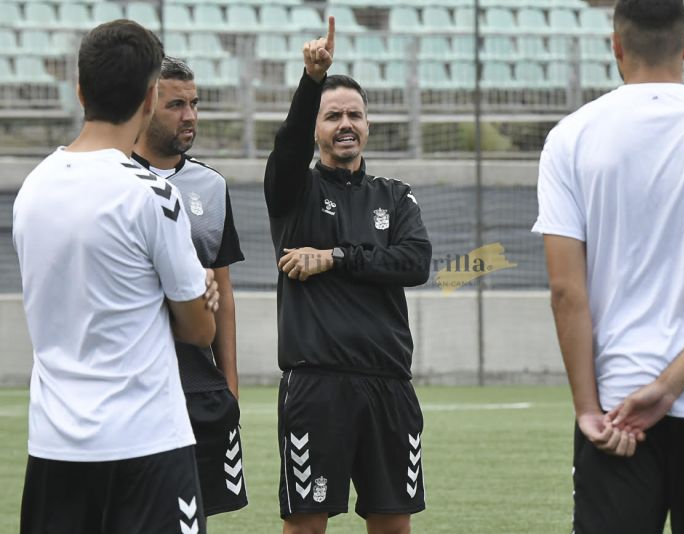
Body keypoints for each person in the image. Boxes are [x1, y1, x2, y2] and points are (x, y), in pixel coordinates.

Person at [532, 1, 684, 532]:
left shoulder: (570, 138)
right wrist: (670, 388)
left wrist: (586, 409)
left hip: (616, 414)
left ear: (616, 46)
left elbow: (565, 291)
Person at [13, 21, 219, 534]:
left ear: (79, 89)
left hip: (54, 447)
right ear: (151, 98)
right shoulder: (152, 195)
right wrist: (194, 298)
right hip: (146, 445)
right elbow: (199, 331)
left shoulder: (31, 190)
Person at [264, 16, 432, 534]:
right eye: (332, 115)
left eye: (354, 115)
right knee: (308, 523)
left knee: (393, 522)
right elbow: (288, 148)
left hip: (389, 382)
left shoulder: (395, 195)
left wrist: (335, 257)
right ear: (316, 127)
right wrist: (311, 80)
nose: (345, 124)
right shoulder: (294, 192)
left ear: (368, 124)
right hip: (317, 383)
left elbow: (415, 262)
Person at [132, 56, 248, 520]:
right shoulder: (112, 179)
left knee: (194, 520)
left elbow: (225, 296)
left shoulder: (212, 186)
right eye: (176, 104)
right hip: (136, 387)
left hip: (200, 390)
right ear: (145, 106)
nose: (190, 116)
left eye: (194, 104)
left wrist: (231, 385)